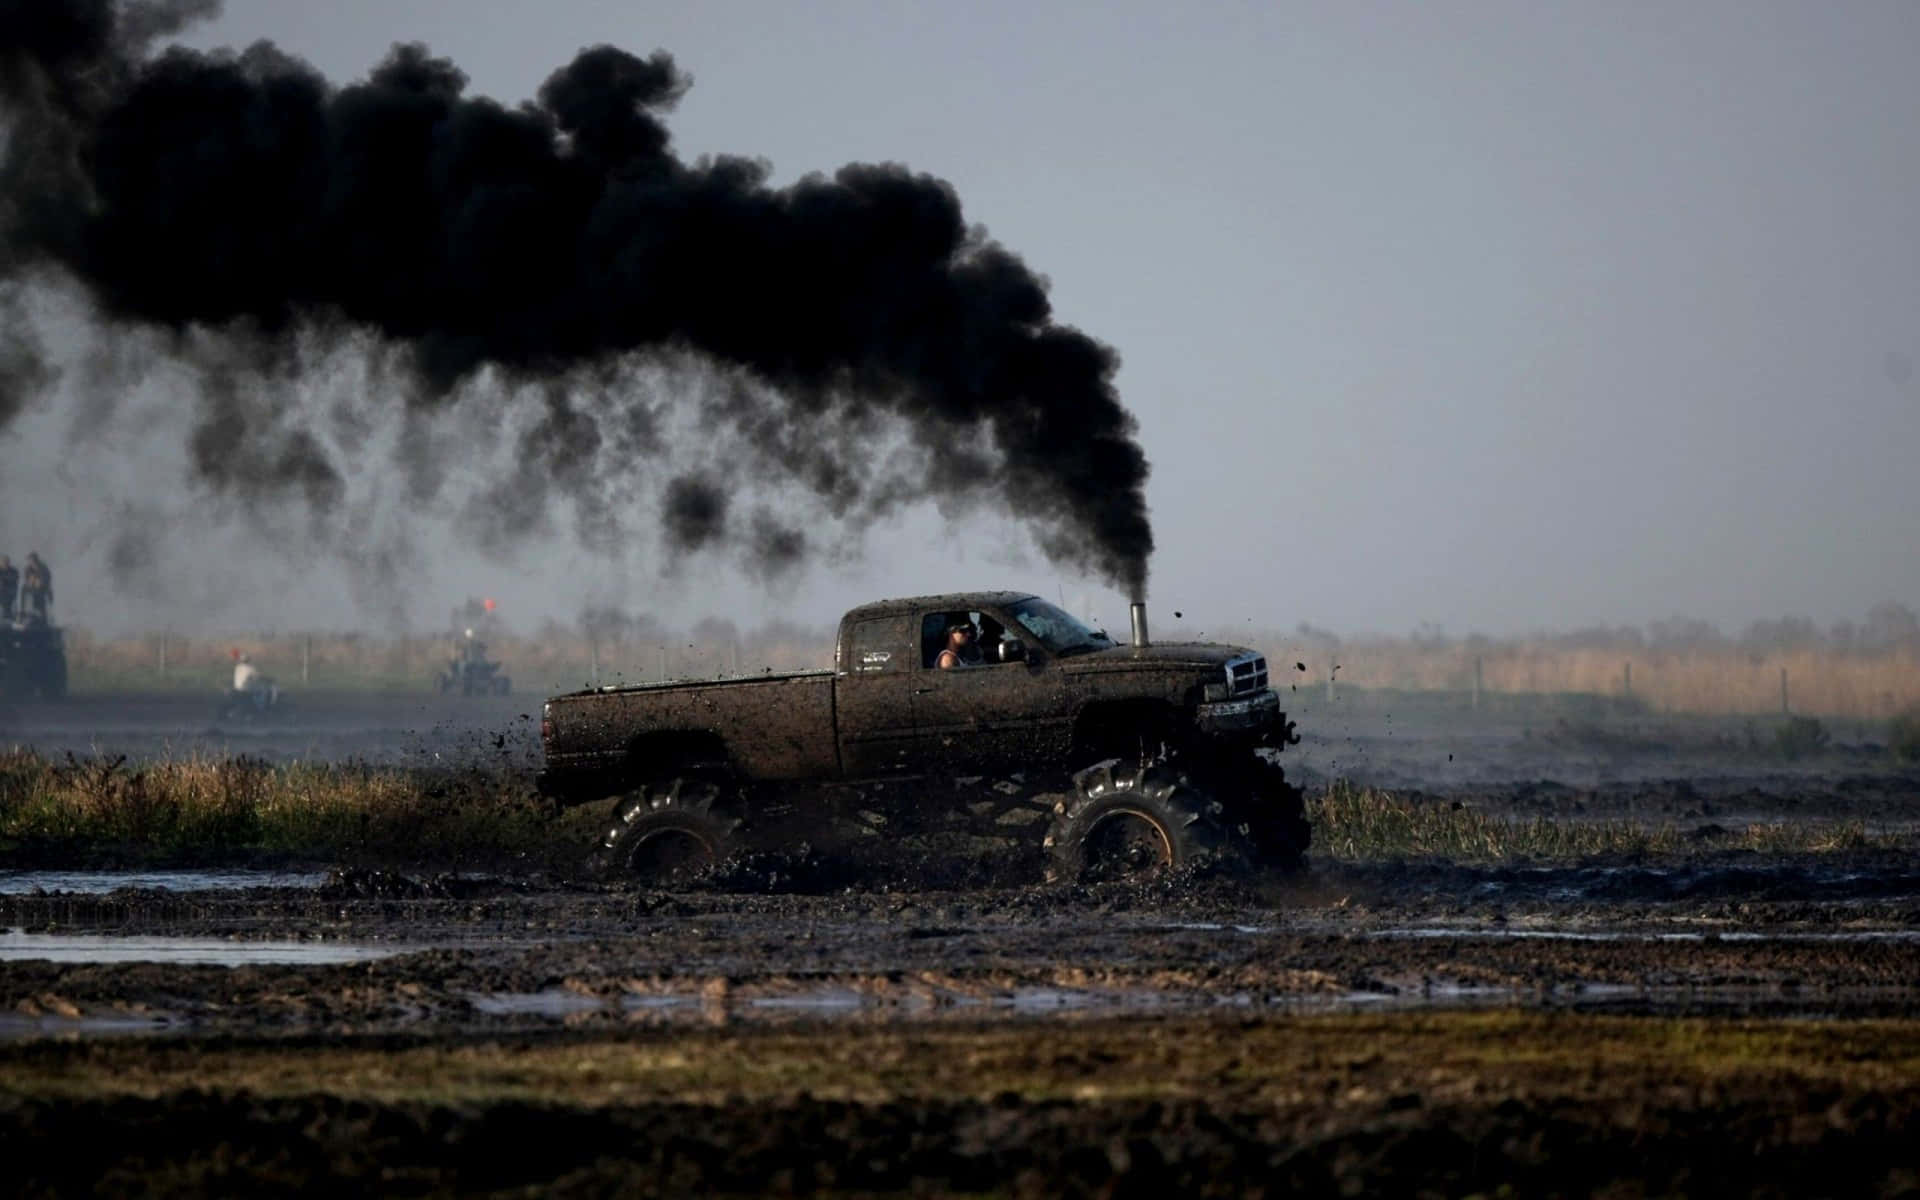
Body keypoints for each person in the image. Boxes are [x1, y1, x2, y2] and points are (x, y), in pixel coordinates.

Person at [20, 553, 50, 623]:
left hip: (43, 588)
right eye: (30, 560)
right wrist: (31, 581)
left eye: (33, 560)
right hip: (32, 587)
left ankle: (42, 618)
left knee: (40, 599)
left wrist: (40, 581)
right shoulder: (28, 569)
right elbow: (27, 579)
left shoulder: (43, 568)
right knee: (23, 590)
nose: (32, 562)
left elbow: (46, 579)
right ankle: (23, 612)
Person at [0, 556, 16, 622]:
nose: (5, 563)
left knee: (6, 602)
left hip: (8, 593)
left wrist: (4, 580)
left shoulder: (13, 571)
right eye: (3, 562)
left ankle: (7, 616)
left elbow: (13, 580)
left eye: (6, 562)